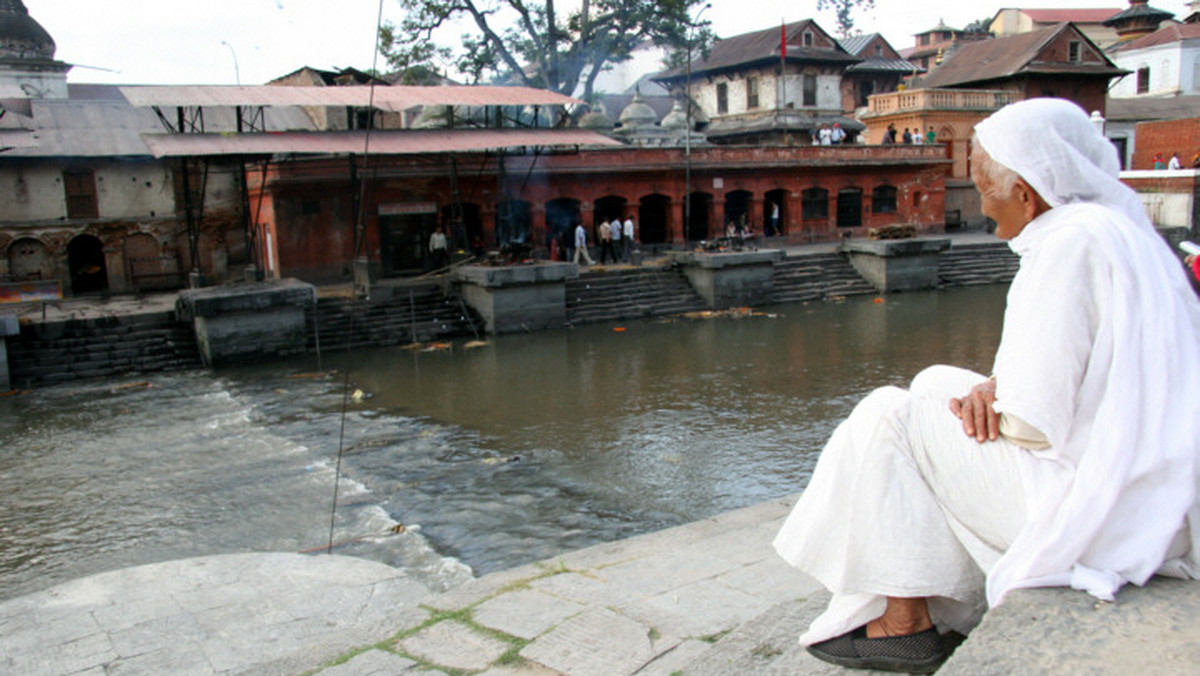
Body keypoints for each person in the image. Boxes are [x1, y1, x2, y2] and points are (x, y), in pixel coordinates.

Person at [773, 98, 1200, 673]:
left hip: (1098, 516)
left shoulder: (1065, 246)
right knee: (934, 380)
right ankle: (925, 593)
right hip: (1149, 496)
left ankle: (905, 622)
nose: (978, 202)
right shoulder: (1121, 231)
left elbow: (1029, 426)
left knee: (887, 415)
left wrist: (999, 401)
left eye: (983, 186)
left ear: (1027, 192)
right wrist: (994, 386)